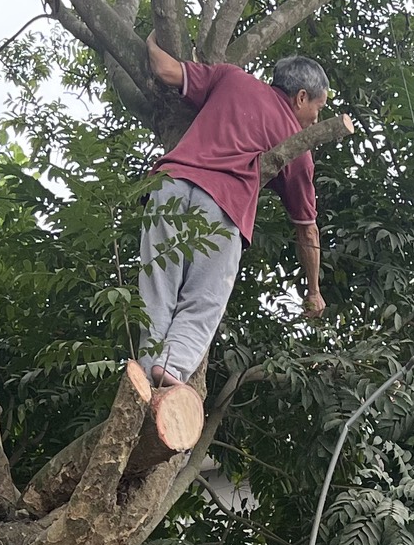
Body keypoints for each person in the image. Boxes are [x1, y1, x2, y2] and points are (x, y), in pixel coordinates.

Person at [136, 39, 351, 391]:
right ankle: (171, 369)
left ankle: (145, 378)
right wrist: (314, 290)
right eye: (318, 106)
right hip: (221, 205)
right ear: (300, 97)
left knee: (158, 287)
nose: (318, 117)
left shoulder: (231, 78)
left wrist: (150, 41)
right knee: (205, 298)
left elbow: (165, 70)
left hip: (168, 185)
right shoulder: (297, 145)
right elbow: (307, 230)